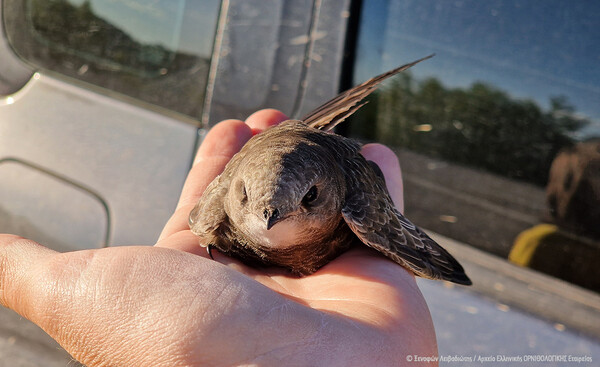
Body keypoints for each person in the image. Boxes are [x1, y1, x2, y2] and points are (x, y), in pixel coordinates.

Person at [0, 109, 438, 366]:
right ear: (237, 191)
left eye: (307, 202)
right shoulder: (219, 211)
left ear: (322, 194)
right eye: (248, 201)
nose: (267, 223)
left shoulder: (349, 190)